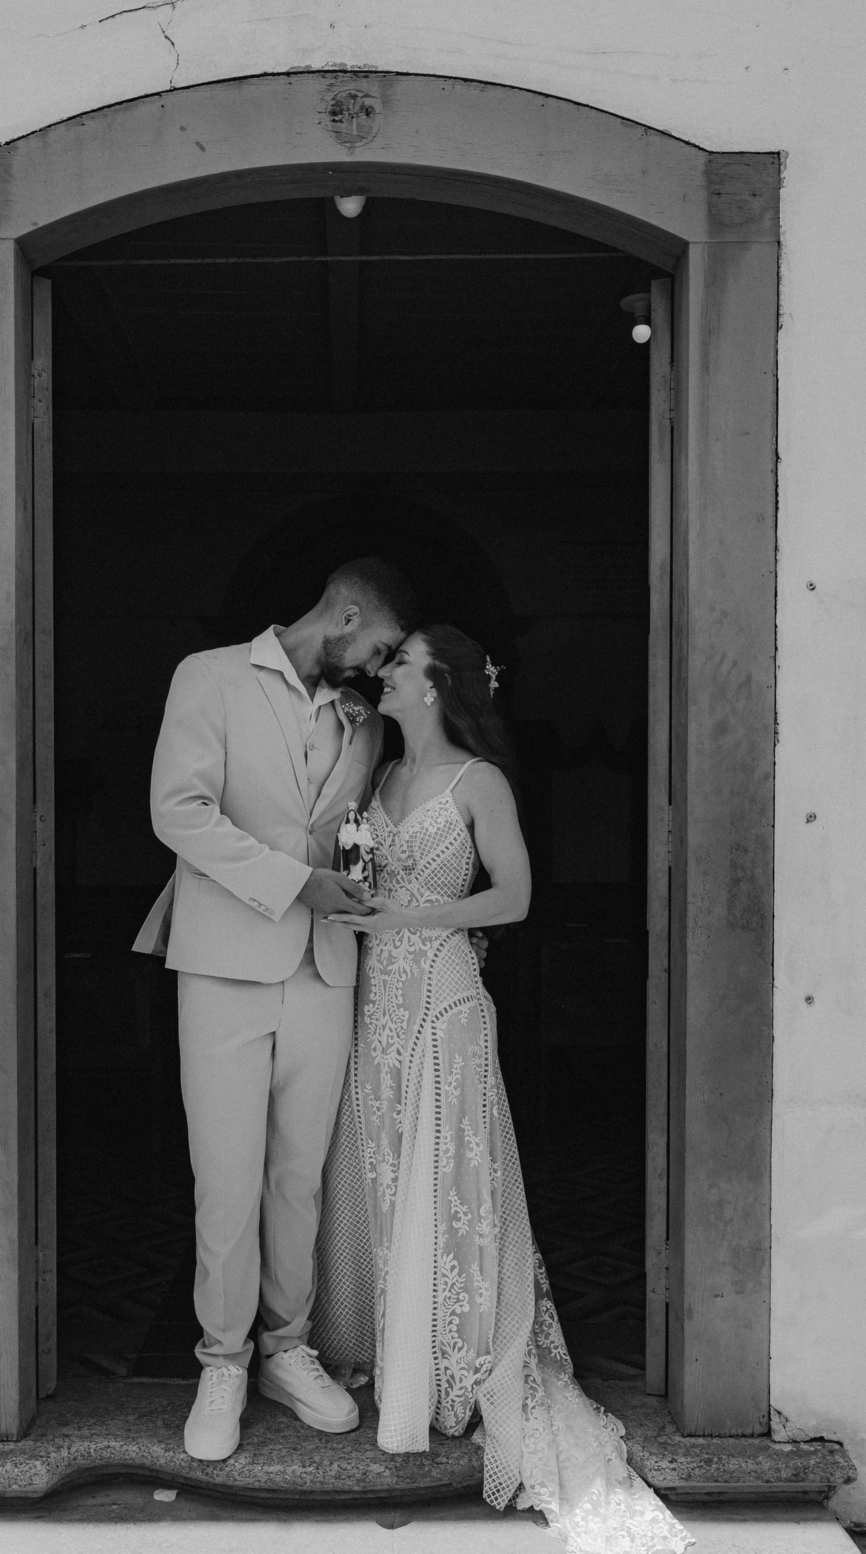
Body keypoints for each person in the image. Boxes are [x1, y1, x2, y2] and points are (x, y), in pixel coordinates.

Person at [313, 626, 692, 1554]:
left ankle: (450, 1362)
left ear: (437, 683)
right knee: (376, 1165)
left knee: (444, 1177)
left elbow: (515, 897)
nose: (384, 672)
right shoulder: (378, 776)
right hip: (373, 998)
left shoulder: (478, 782)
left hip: (442, 993)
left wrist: (415, 917)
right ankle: (385, 1345)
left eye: (400, 662)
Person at [134, 557, 418, 1461]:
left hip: (325, 968)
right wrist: (297, 883)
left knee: (300, 1175)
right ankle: (221, 1361)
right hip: (223, 962)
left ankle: (286, 1351)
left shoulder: (364, 722)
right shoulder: (209, 676)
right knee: (226, 1176)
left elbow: (354, 834)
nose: (376, 669)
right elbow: (179, 811)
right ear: (346, 616)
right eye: (378, 648)